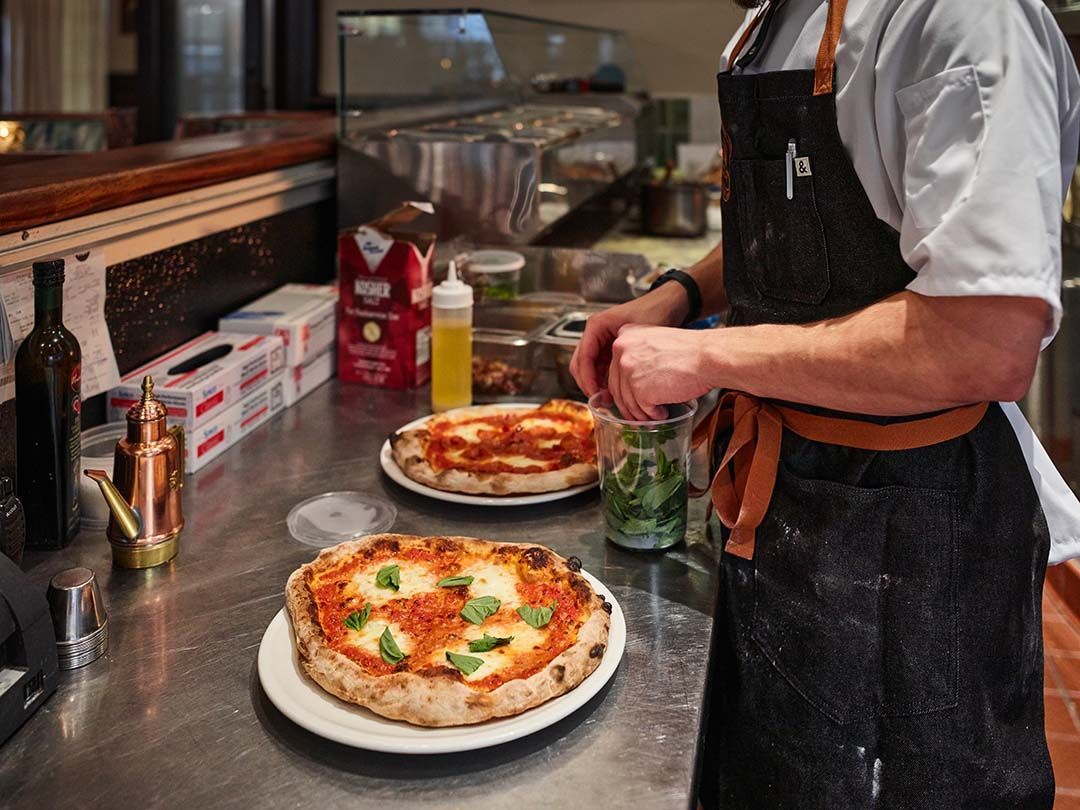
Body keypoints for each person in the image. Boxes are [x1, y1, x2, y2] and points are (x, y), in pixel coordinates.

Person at [570, 0, 1080, 806]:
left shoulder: (960, 15)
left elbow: (985, 341)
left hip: (909, 533)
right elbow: (787, 222)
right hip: (784, 506)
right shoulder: (775, 19)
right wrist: (678, 295)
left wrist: (705, 355)